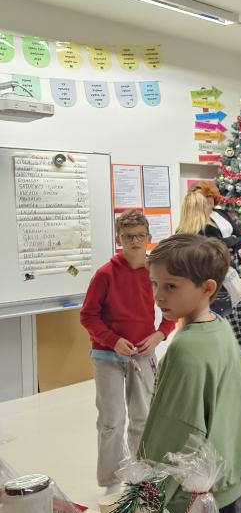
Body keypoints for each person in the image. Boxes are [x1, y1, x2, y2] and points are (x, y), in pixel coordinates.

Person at [139, 234, 241, 513]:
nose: (158, 296)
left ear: (207, 288)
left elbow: (175, 431)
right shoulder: (220, 327)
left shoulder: (186, 348)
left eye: (171, 286)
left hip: (190, 502)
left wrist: (146, 494)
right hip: (228, 489)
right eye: (154, 284)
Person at [80, 210, 175, 494]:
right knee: (111, 420)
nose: (134, 241)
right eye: (127, 236)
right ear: (118, 239)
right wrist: (112, 340)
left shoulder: (156, 273)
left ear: (148, 237)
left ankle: (141, 475)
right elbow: (88, 316)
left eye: (139, 236)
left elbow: (172, 309)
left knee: (143, 417)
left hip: (143, 355)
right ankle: (111, 481)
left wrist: (160, 334)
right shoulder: (105, 274)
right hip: (107, 357)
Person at [189, 182, 241, 364]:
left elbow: (240, 237)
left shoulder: (221, 214)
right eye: (205, 199)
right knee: (222, 307)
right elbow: (215, 242)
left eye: (211, 199)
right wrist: (229, 241)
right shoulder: (196, 220)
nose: (208, 202)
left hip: (233, 263)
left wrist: (230, 242)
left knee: (240, 306)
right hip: (215, 266)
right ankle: (229, 355)